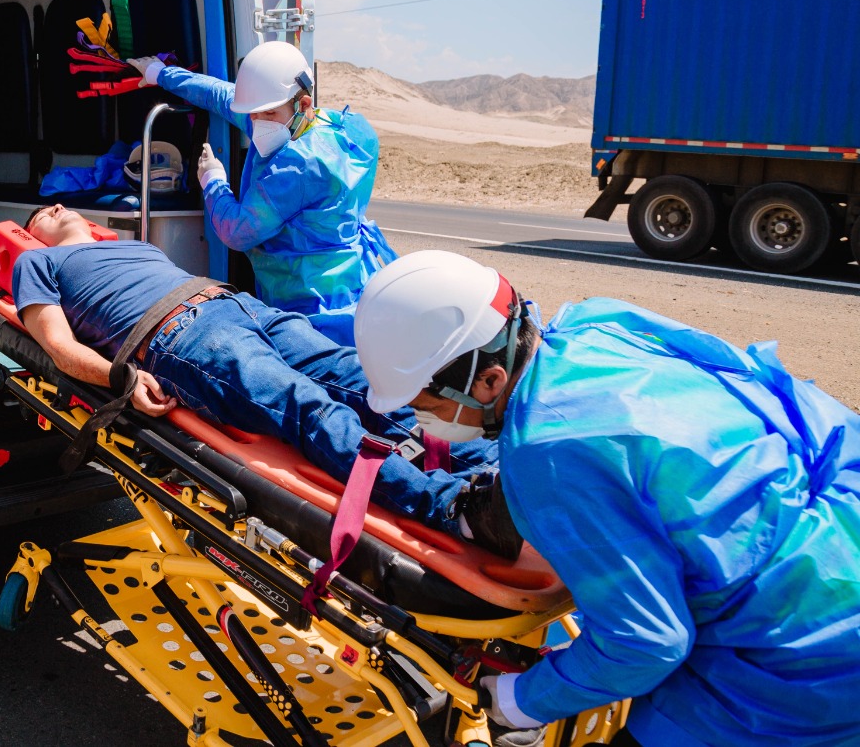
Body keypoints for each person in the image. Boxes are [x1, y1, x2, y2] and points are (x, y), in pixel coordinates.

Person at [352, 250, 860, 747]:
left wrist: (519, 699)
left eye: (428, 405)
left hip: (795, 666)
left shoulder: (549, 454)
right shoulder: (599, 328)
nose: (423, 424)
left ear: (489, 380)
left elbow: (644, 643)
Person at [13, 204, 498, 533]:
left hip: (240, 305)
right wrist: (124, 377)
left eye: (56, 205)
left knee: (360, 378)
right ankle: (455, 510)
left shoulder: (135, 246)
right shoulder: (38, 264)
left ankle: (488, 464)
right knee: (308, 408)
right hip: (180, 333)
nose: (55, 208)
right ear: (31, 236)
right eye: (41, 214)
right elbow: (57, 346)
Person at [128, 40, 394, 345]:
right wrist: (161, 74)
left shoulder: (299, 168)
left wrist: (213, 181)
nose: (255, 123)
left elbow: (238, 232)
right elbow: (220, 95)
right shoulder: (329, 125)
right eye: (252, 114)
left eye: (264, 114)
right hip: (355, 280)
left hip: (312, 306)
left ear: (303, 104)